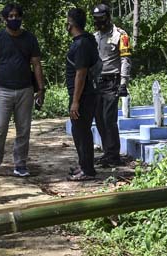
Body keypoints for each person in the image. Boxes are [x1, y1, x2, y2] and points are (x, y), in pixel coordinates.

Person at [0, 4, 45, 178]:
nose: (14, 19)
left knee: (23, 130)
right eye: (10, 16)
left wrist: (41, 88)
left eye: (17, 15)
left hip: (26, 89)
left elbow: (37, 64)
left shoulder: (30, 38)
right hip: (3, 90)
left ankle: (20, 165)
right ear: (4, 19)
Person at [91, 3, 131, 168]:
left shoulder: (120, 35)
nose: (99, 22)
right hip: (96, 82)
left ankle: (114, 155)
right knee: (99, 119)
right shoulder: (94, 37)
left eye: (101, 18)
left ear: (108, 17)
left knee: (109, 119)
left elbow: (125, 60)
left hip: (112, 82)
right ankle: (108, 153)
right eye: (96, 19)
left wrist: (123, 83)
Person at [65, 8, 99, 182]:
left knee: (82, 131)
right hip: (82, 95)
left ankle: (88, 170)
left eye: (67, 21)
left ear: (70, 24)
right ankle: (84, 164)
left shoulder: (82, 44)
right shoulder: (85, 40)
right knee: (78, 131)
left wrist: (76, 101)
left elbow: (81, 73)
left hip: (83, 96)